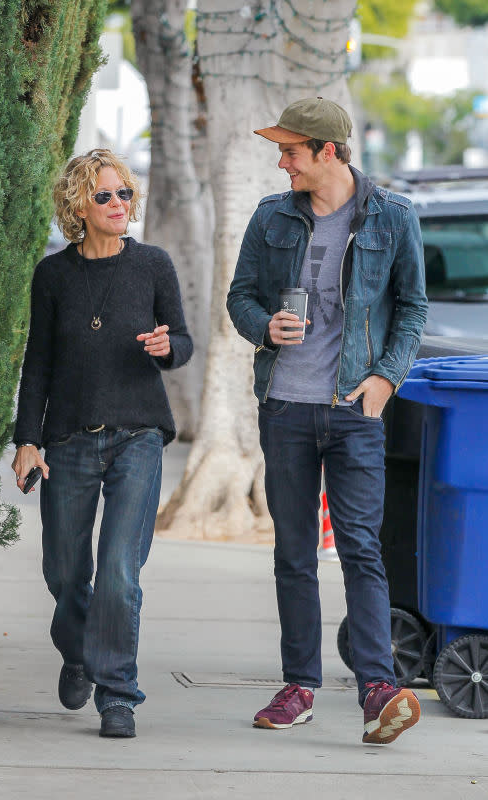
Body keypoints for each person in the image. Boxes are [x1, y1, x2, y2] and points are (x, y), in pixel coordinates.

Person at [227, 98, 428, 744]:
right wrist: (264, 326)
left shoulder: (393, 218)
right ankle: (299, 686)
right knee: (293, 553)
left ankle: (377, 689)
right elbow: (240, 297)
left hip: (352, 411)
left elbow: (412, 308)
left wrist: (384, 380)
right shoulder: (271, 217)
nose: (281, 162)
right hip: (284, 407)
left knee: (361, 549)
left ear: (328, 152)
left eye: (291, 151)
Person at [12, 149, 192, 738]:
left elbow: (182, 342)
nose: (120, 205)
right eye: (105, 196)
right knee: (65, 572)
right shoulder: (54, 276)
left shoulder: (154, 265)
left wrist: (168, 348)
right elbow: (38, 361)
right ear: (78, 207)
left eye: (125, 195)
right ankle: (79, 651)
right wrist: (27, 440)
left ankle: (118, 694)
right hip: (66, 440)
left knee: (119, 571)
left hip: (138, 436)